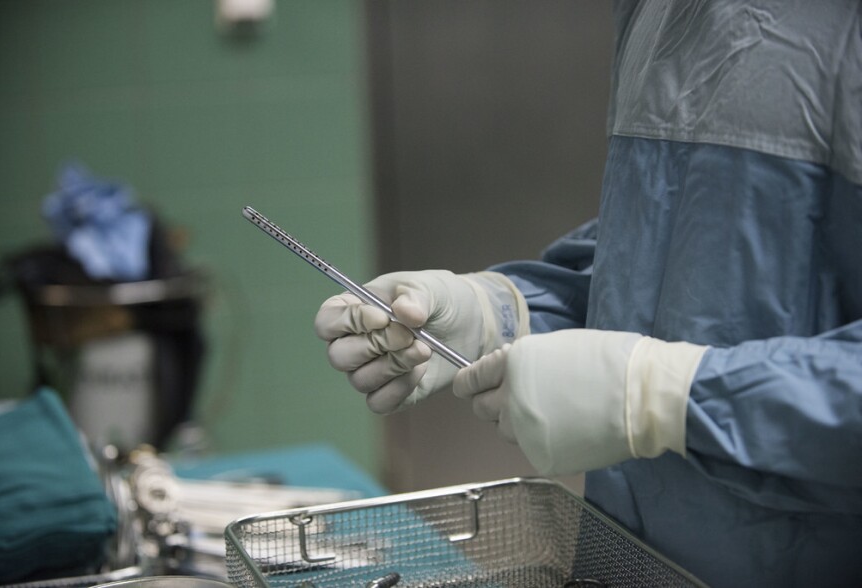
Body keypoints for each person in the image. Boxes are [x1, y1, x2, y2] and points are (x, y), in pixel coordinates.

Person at [314, 1, 862, 585]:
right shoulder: (662, 11)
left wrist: (667, 393)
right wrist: (502, 315)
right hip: (628, 558)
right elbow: (679, 255)